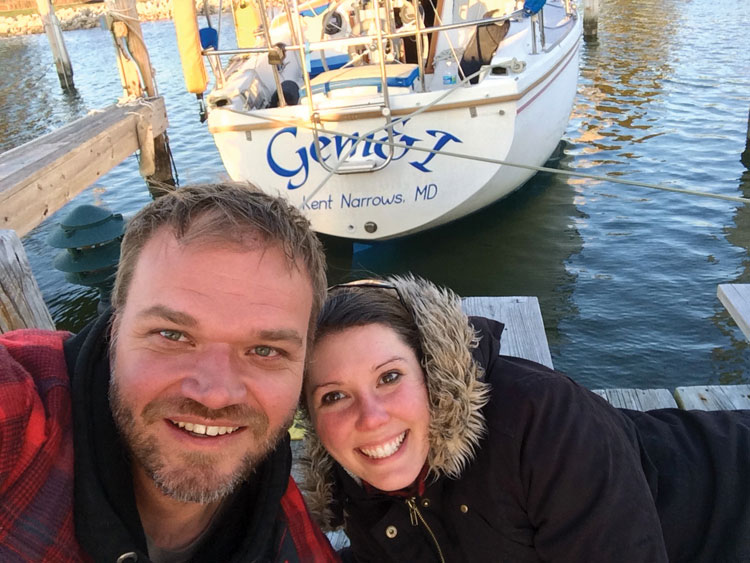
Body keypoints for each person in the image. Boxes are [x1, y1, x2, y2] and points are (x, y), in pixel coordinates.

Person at [299, 275, 750, 562]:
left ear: (432, 373)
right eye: (334, 395)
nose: (371, 418)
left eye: (390, 376)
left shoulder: (545, 422)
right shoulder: (356, 485)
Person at [0, 183, 339, 562]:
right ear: (114, 327)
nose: (214, 393)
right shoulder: (23, 415)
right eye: (172, 335)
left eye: (265, 351)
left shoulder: (291, 534)